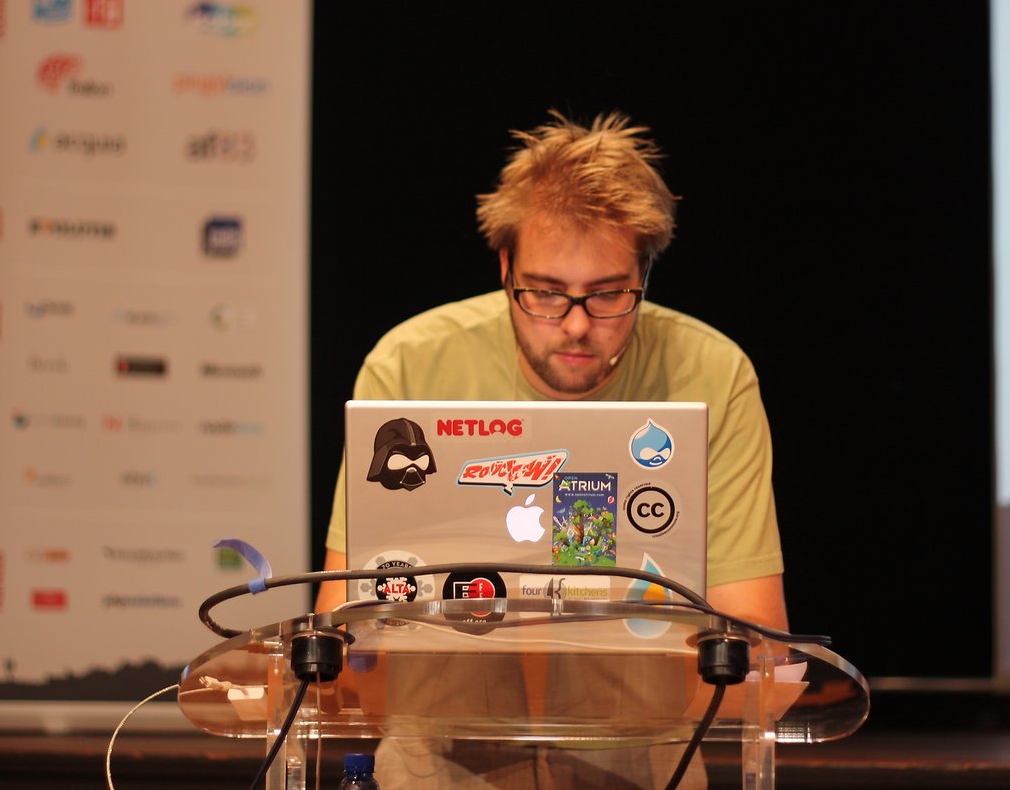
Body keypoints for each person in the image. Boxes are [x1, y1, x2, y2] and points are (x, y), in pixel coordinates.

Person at [316, 110, 787, 789]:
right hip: (437, 751)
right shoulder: (411, 363)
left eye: (607, 295)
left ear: (645, 275)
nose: (573, 326)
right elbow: (346, 612)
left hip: (638, 750)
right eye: (543, 293)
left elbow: (757, 628)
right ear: (504, 265)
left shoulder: (713, 374)